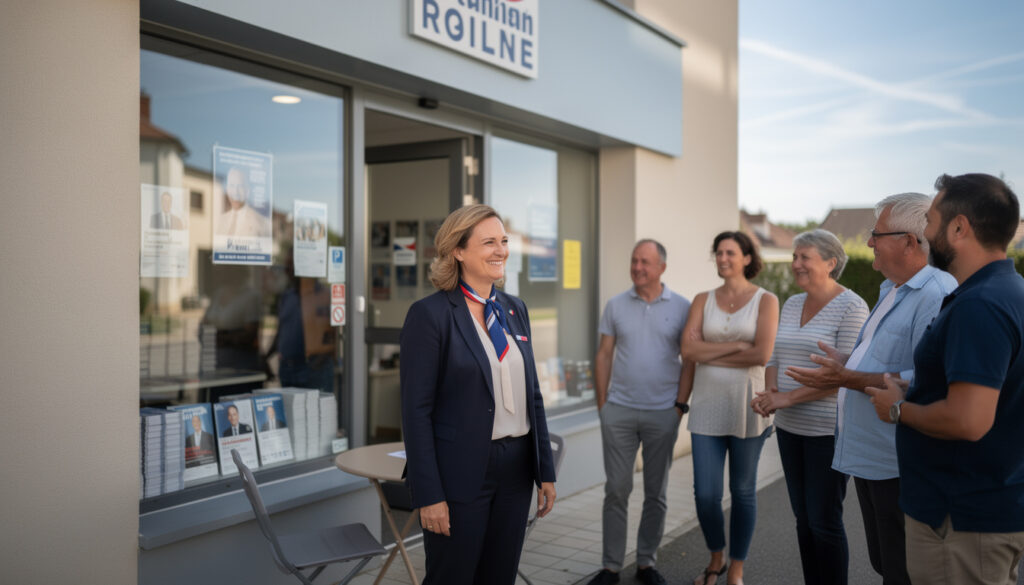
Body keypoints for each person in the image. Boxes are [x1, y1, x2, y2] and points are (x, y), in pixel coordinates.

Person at [786, 193, 956, 585]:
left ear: (910, 242)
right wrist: (849, 361)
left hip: (899, 463)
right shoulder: (892, 288)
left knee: (904, 571)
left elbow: (930, 379)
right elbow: (889, 362)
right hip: (872, 458)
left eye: (876, 234)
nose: (867, 243)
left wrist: (847, 378)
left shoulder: (936, 293)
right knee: (885, 563)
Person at [865, 173, 1024, 585]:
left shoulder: (981, 305)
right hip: (979, 509)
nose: (924, 233)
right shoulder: (1006, 291)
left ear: (959, 228)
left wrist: (898, 409)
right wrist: (914, 390)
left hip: (962, 521)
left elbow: (970, 420)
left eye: (930, 221)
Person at [400, 204, 556, 585]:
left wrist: (544, 471)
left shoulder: (514, 309)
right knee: (451, 577)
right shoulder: (430, 315)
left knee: (499, 577)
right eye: (489, 242)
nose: (501, 250)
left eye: (503, 241)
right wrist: (429, 495)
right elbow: (415, 413)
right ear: (458, 250)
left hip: (516, 469)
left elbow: (531, 395)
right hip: (460, 473)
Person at [750, 230, 869, 585]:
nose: (796, 264)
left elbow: (843, 375)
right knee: (803, 518)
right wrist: (771, 392)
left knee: (824, 520)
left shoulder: (852, 307)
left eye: (805, 257)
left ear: (831, 263)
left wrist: (785, 398)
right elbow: (774, 355)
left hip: (827, 431)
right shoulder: (791, 303)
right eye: (794, 257)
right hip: (789, 429)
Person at [587, 240, 694, 585]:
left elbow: (689, 360)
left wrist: (679, 407)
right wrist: (603, 405)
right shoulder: (616, 304)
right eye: (634, 261)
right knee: (616, 489)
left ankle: (646, 563)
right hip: (618, 411)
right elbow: (604, 355)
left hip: (662, 413)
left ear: (662, 267)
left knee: (655, 493)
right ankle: (611, 567)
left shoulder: (682, 307)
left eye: (645, 262)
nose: (637, 268)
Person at [681, 231, 779, 585]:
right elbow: (688, 353)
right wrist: (737, 345)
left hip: (746, 406)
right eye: (718, 253)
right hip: (705, 405)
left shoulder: (766, 300)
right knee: (706, 494)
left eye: (730, 253)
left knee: (742, 491)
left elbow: (761, 354)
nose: (723, 258)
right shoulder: (701, 299)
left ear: (747, 258)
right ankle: (715, 557)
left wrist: (710, 350)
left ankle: (736, 567)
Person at [217, 166, 269, 238]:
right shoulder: (220, 221)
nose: (235, 192)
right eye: (232, 186)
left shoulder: (261, 222)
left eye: (240, 186)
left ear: (247, 190)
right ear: (227, 189)